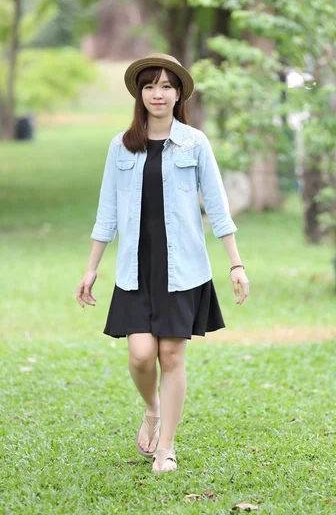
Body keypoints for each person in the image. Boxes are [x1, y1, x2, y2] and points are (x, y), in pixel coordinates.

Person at [76, 53, 249, 473]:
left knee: (171, 356)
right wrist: (92, 267)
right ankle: (151, 408)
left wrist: (236, 264)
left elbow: (219, 209)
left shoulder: (195, 143)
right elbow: (107, 213)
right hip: (135, 269)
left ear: (178, 94)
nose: (158, 93)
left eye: (166, 86)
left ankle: (165, 448)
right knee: (139, 356)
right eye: (150, 85)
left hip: (183, 268)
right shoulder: (121, 146)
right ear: (140, 93)